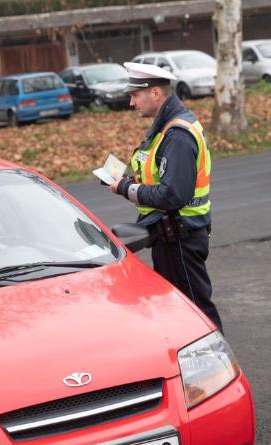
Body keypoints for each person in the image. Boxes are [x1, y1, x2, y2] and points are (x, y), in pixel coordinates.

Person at [109, 62, 223, 332]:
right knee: (181, 314)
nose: (131, 103)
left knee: (196, 314)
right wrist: (129, 182)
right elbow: (161, 178)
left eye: (135, 96)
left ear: (156, 94)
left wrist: (126, 188)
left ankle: (220, 369)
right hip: (172, 237)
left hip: (180, 238)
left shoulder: (177, 135)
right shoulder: (167, 127)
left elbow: (173, 195)